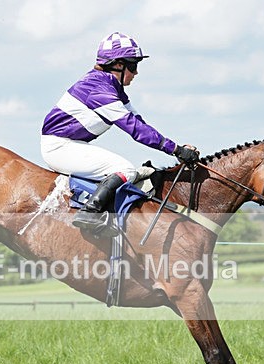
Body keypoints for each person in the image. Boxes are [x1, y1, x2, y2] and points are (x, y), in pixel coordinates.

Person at [41, 31, 200, 236]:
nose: (136, 73)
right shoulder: (98, 88)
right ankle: (90, 213)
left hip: (70, 144)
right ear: (117, 64)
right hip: (60, 147)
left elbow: (140, 123)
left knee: (126, 170)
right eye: (133, 65)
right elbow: (133, 128)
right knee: (124, 168)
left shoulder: (111, 87)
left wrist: (178, 148)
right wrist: (175, 150)